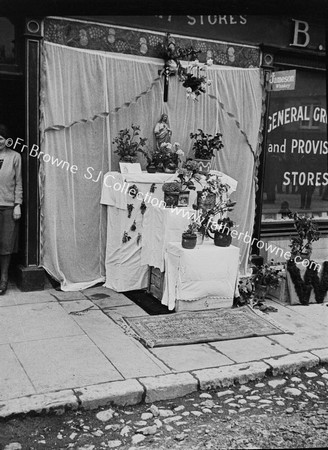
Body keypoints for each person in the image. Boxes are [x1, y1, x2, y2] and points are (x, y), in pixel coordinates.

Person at [0, 124, 22, 295]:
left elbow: (19, 182)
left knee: (6, 244)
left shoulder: (15, 157)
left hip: (8, 206)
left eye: (1, 138)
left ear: (7, 140)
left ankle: (4, 278)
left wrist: (17, 204)